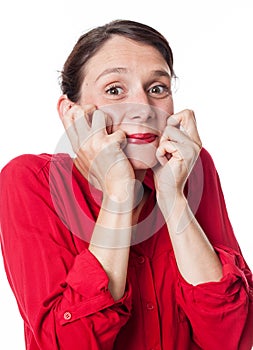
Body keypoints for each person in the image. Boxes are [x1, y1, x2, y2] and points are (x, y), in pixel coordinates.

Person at [0, 19, 252, 350]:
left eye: (157, 88)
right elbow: (68, 344)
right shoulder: (30, 180)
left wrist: (172, 197)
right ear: (72, 114)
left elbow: (231, 337)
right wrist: (118, 196)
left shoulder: (191, 166)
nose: (144, 109)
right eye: (115, 90)